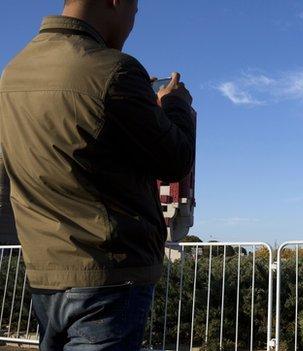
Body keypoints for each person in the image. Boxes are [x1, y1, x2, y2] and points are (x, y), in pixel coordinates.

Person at [0, 0, 195, 349]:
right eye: (133, 13)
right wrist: (175, 106)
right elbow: (174, 160)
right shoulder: (113, 70)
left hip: (45, 273)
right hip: (109, 275)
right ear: (115, 3)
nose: (132, 24)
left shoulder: (13, 72)